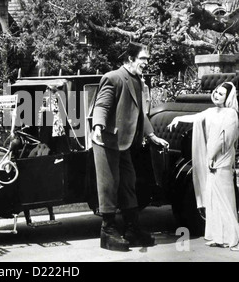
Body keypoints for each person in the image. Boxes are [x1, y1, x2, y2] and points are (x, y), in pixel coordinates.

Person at [92, 42, 169, 251]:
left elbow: (140, 113)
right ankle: (107, 231)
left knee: (129, 182)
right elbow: (102, 105)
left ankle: (132, 229)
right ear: (130, 59)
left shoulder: (138, 80)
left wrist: (152, 135)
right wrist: (98, 126)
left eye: (146, 58)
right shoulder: (113, 77)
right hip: (106, 140)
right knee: (109, 185)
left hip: (123, 144)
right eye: (143, 58)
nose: (146, 62)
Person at [168, 82, 239, 251]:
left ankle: (234, 239)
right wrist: (177, 118)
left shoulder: (230, 115)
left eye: (221, 94)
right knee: (213, 199)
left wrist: (212, 157)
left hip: (220, 161)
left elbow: (224, 140)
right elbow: (196, 117)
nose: (216, 95)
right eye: (216, 92)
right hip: (212, 159)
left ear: (228, 97)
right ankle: (218, 237)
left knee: (224, 200)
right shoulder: (212, 111)